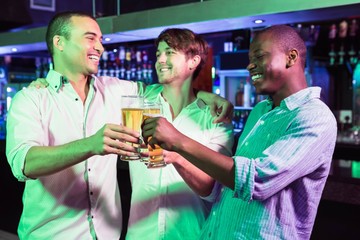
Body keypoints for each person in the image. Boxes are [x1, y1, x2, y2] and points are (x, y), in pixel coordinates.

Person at [6, 11, 232, 240]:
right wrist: (91, 145)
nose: (100, 47)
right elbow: (24, 162)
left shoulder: (115, 91)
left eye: (101, 40)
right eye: (90, 38)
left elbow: (168, 89)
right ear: (59, 42)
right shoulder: (32, 98)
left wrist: (208, 96)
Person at [142, 25, 337, 239]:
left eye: (259, 56)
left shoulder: (314, 116)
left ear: (291, 57)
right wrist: (176, 156)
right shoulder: (261, 111)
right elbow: (224, 187)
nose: (250, 66)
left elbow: (255, 180)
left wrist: (177, 140)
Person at [126, 28, 234, 240]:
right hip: (140, 235)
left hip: (191, 234)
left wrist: (175, 156)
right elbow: (97, 87)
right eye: (158, 54)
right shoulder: (137, 101)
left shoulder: (214, 119)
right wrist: (43, 84)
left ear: (193, 62)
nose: (160, 60)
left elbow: (210, 188)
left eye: (170, 52)